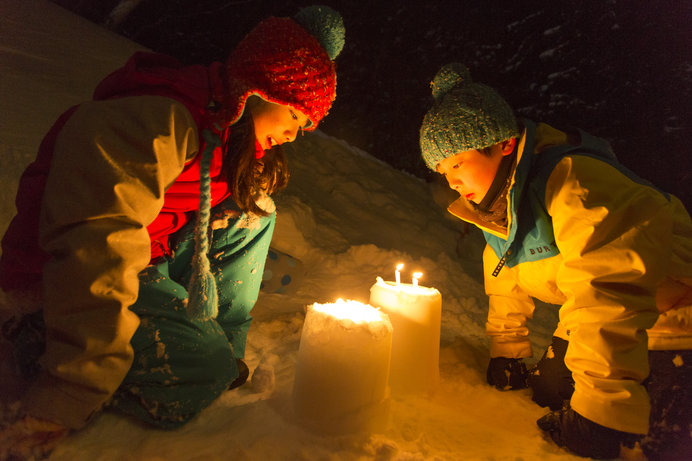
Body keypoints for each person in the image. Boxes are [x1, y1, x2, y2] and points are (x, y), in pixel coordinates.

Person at [0, 5, 345, 459]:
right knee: (201, 368)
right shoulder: (159, 122)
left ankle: (221, 351)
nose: (297, 135)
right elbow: (94, 243)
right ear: (264, 89)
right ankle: (41, 343)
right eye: (299, 117)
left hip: (148, 260)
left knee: (254, 212)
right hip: (57, 290)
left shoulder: (222, 134)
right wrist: (72, 387)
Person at [419, 63, 692, 460]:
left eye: (457, 163)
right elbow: (505, 275)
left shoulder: (574, 181)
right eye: (442, 170)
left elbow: (609, 287)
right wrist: (506, 351)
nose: (452, 182)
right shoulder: (500, 206)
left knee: (655, 443)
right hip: (606, 313)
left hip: (673, 312)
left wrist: (601, 409)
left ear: (504, 144)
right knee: (549, 393)